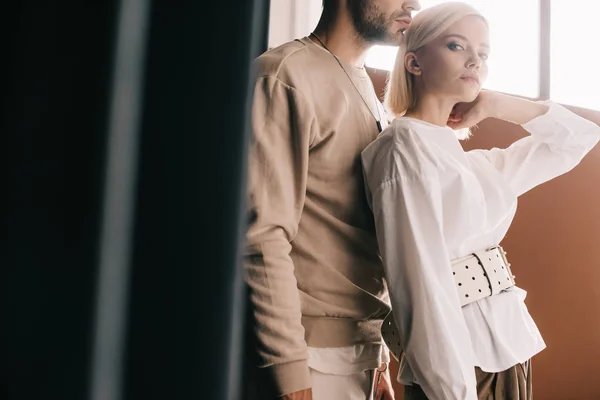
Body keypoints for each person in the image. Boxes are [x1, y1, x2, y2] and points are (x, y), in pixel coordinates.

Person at [361, 2, 600, 399]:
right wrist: (454, 391)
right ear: (415, 63)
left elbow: (579, 139)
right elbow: (420, 285)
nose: (475, 60)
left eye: (484, 53)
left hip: (509, 351)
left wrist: (495, 103)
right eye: (457, 46)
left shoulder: (474, 166)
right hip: (462, 370)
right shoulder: (403, 147)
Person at [244, 0, 422, 399]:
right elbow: (261, 236)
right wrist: (289, 371)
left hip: (357, 354)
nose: (414, 2)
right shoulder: (284, 75)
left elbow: (362, 237)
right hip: (308, 357)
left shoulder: (365, 88)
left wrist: (376, 358)